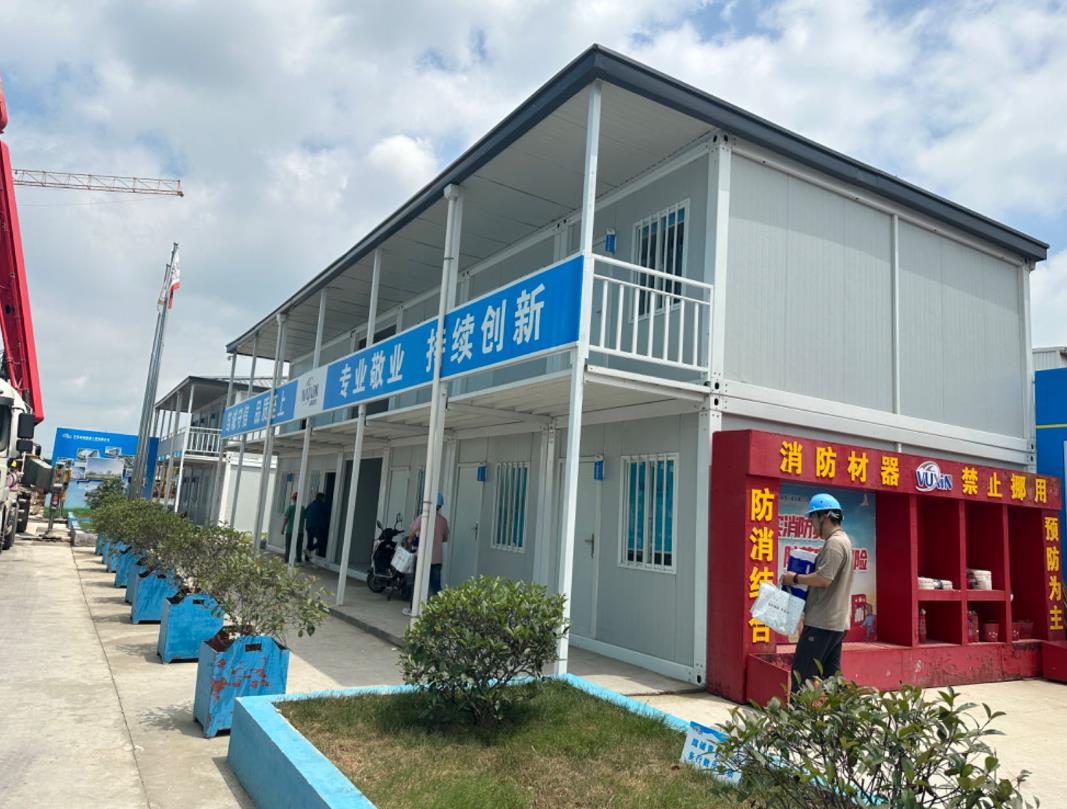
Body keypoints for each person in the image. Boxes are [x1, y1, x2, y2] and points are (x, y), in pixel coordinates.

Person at [780, 493, 854, 693]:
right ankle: (842, 712)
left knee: (802, 676)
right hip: (835, 623)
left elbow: (824, 579)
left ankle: (798, 713)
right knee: (831, 678)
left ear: (824, 517)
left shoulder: (835, 544)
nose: (811, 524)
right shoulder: (843, 541)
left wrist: (794, 578)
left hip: (822, 623)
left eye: (812, 518)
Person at [401, 492, 450, 616]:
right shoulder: (443, 521)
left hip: (422, 557)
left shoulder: (423, 517)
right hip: (437, 558)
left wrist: (409, 540)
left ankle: (414, 609)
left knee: (417, 583)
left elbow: (412, 533)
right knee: (436, 585)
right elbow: (445, 538)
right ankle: (440, 611)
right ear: (440, 506)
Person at [280, 491, 307, 564]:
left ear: (293, 499)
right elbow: (305, 518)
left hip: (290, 531)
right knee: (299, 547)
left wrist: (283, 528)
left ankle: (287, 560)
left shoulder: (290, 508)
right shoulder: (303, 509)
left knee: (288, 546)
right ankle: (299, 560)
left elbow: (286, 519)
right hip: (300, 531)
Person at [304, 492, 330, 561]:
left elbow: (305, 514)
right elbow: (327, 515)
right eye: (323, 498)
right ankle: (309, 550)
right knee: (321, 541)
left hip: (308, 526)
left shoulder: (311, 504)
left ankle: (307, 558)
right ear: (321, 498)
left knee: (310, 542)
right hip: (316, 526)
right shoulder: (322, 505)